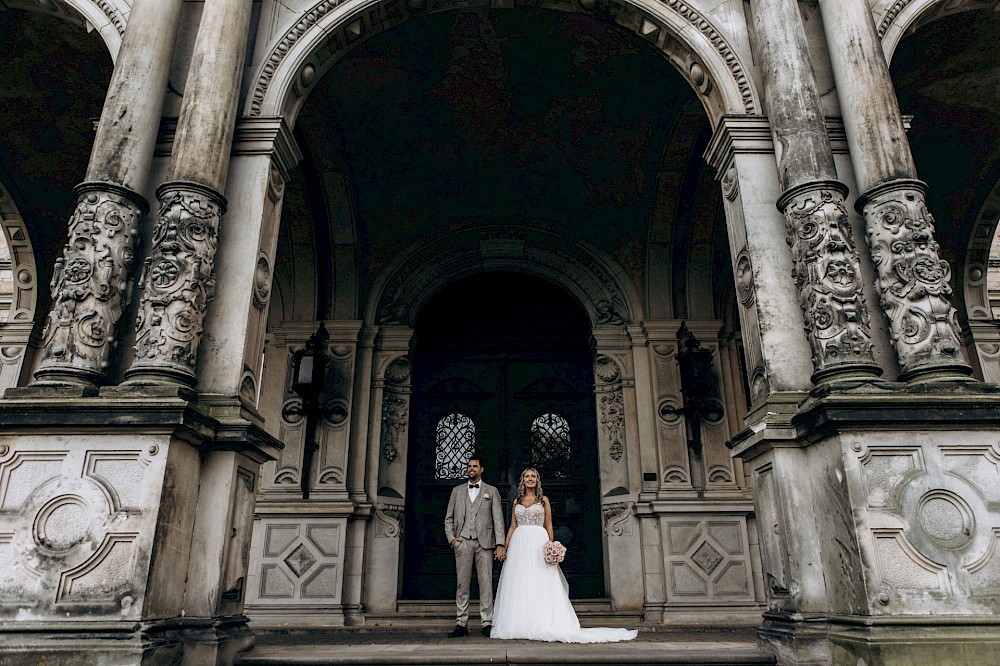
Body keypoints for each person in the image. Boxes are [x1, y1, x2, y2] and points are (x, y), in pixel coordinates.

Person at [490, 468, 637, 643]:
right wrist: (505, 547)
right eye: (527, 477)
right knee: (521, 581)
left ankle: (541, 621)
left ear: (537, 480)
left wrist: (550, 545)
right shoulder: (516, 501)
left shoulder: (543, 501)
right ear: (523, 480)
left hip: (538, 541)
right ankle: (520, 622)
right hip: (519, 544)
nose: (530, 479)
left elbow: (549, 525)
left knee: (540, 580)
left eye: (533, 477)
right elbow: (513, 527)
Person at [444, 455, 506, 638]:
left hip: (485, 543)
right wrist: (452, 539)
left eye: (475, 466)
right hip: (462, 542)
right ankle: (461, 623)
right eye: (469, 466)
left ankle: (487, 623)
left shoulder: (491, 491)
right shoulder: (457, 491)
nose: (471, 468)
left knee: (485, 584)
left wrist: (500, 544)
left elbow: (498, 520)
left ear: (481, 469)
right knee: (462, 584)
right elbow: (448, 518)